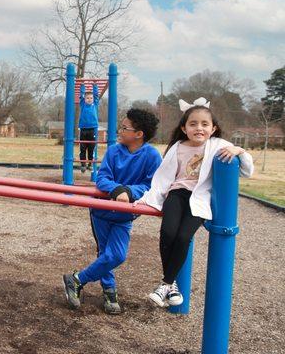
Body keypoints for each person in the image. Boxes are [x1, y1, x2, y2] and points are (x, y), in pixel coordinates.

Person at [136, 98, 253, 308]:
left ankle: (166, 284)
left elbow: (246, 170)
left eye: (204, 124)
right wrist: (147, 198)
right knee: (168, 233)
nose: (199, 128)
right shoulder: (177, 147)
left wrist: (239, 151)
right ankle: (170, 286)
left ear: (213, 128)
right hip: (177, 194)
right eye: (193, 124)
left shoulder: (218, 145)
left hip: (200, 198)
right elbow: (163, 177)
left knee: (183, 237)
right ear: (184, 128)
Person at [63, 108, 162, 314]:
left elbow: (152, 185)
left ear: (138, 134)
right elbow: (102, 178)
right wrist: (116, 189)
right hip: (102, 210)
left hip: (125, 214)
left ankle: (76, 279)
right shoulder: (114, 151)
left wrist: (129, 191)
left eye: (124, 128)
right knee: (104, 252)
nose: (119, 130)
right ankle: (109, 291)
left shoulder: (151, 156)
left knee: (117, 255)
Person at [78, 84, 100, 172]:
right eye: (87, 98)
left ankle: (90, 164)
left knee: (91, 147)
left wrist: (95, 85)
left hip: (93, 128)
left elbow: (96, 95)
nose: (89, 99)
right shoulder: (83, 104)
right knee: (82, 148)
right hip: (83, 129)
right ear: (85, 99)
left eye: (91, 98)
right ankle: (83, 164)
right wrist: (82, 85)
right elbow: (81, 94)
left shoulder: (95, 104)